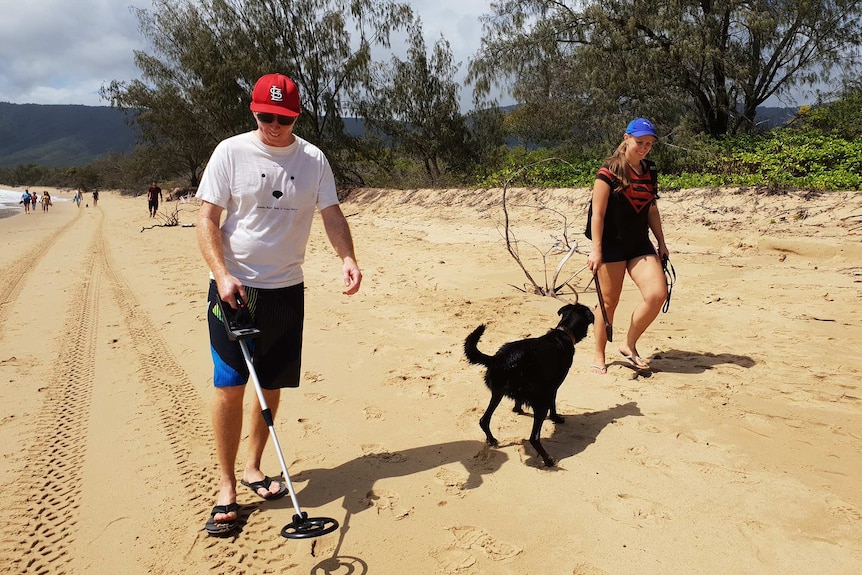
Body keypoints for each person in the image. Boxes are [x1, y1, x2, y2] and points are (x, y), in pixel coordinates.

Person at [196, 73, 362, 537]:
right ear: (254, 111)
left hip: (286, 290)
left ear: (296, 116)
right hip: (235, 289)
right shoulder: (230, 151)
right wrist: (223, 274)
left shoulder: (313, 160)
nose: (272, 125)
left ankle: (253, 467)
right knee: (229, 385)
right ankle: (226, 487)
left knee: (271, 386)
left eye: (282, 118)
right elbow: (207, 219)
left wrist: (347, 257)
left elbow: (331, 214)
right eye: (264, 116)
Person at [585, 118, 669, 374]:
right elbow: (597, 214)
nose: (644, 147)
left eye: (649, 144)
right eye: (640, 142)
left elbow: (651, 208)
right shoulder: (608, 171)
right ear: (626, 138)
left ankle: (628, 344)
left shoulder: (650, 170)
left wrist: (661, 242)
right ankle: (599, 354)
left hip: (638, 243)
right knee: (609, 302)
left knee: (657, 294)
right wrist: (596, 249)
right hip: (611, 244)